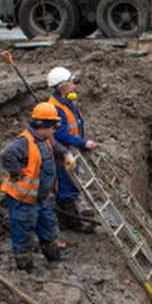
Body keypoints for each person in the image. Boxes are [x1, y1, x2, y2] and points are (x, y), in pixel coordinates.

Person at [0, 102, 72, 272]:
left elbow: (54, 145)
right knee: (23, 234)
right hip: (24, 199)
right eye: (53, 126)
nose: (55, 130)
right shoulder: (23, 142)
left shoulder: (44, 139)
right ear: (44, 126)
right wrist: (17, 173)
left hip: (41, 197)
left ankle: (53, 255)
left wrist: (66, 153)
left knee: (48, 226)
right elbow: (6, 155)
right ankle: (26, 268)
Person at [46, 66, 99, 231]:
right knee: (67, 187)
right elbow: (60, 135)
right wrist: (83, 143)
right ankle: (74, 224)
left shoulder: (66, 102)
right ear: (63, 86)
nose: (74, 85)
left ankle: (66, 223)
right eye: (71, 82)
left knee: (66, 185)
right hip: (61, 152)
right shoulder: (56, 108)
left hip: (69, 151)